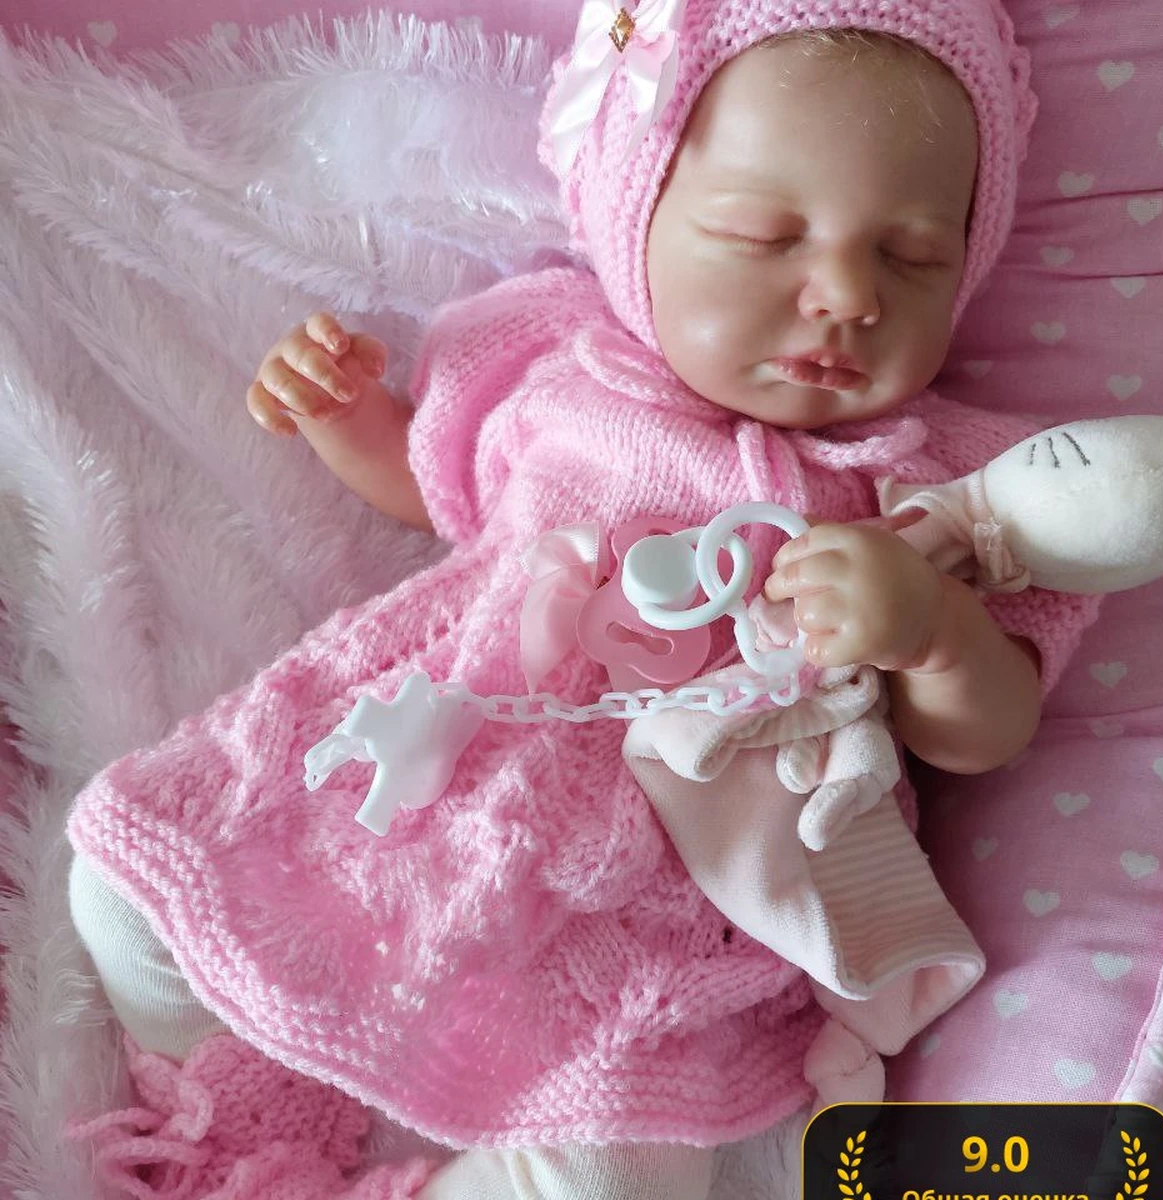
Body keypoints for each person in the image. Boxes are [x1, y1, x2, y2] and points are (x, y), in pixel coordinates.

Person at [66, 1, 1101, 1196]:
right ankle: (240, 1107)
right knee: (128, 882)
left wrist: (933, 632)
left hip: (663, 898)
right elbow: (437, 487)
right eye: (763, 236)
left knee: (614, 1175)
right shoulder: (562, 370)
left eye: (912, 257)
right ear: (633, 216)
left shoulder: (928, 489)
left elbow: (988, 732)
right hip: (430, 772)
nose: (843, 294)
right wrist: (346, 417)